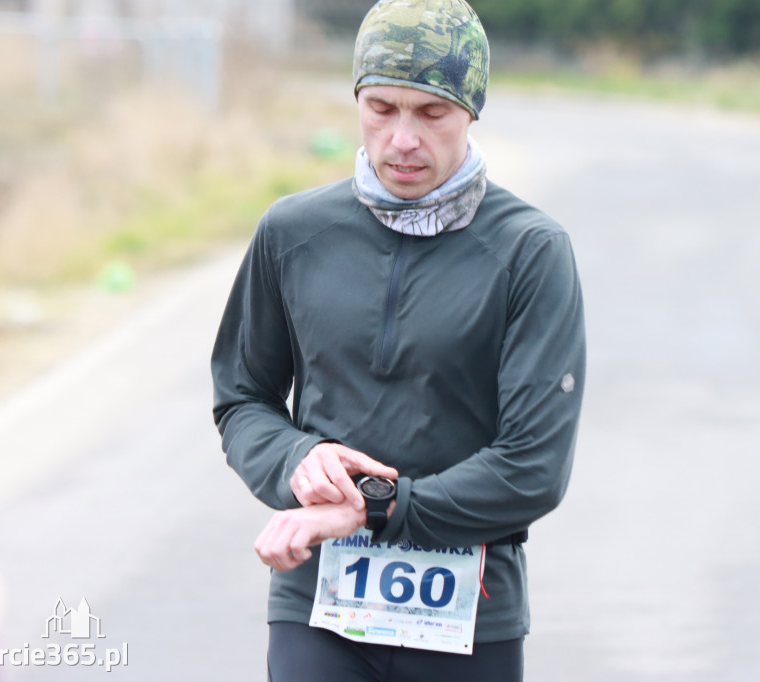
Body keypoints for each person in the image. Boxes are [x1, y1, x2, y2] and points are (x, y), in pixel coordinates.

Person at [210, 1, 585, 680]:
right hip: (317, 605)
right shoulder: (292, 233)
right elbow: (242, 398)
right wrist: (296, 457)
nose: (402, 139)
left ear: (471, 110)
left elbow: (533, 467)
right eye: (381, 108)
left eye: (431, 113)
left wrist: (374, 509)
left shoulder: (531, 251)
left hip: (471, 609)